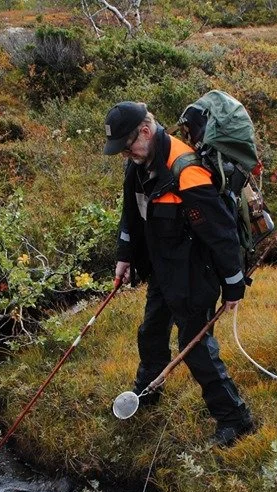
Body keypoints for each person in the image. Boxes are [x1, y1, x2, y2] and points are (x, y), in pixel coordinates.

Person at [102, 100, 254, 447]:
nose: (126, 154)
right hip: (162, 265)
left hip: (195, 271)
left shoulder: (188, 172)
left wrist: (233, 284)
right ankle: (147, 391)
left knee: (194, 345)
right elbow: (131, 214)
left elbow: (221, 233)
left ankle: (235, 418)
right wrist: (125, 256)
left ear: (145, 131)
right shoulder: (138, 165)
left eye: (127, 147)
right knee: (152, 331)